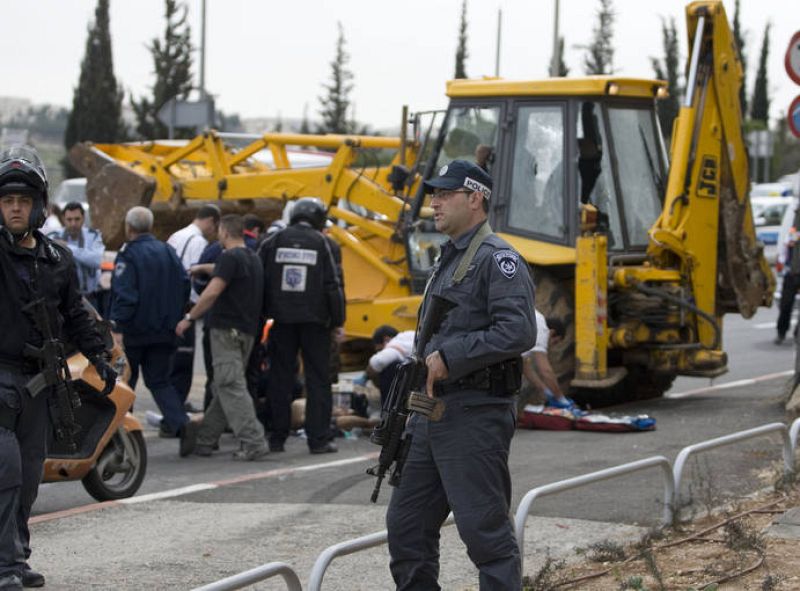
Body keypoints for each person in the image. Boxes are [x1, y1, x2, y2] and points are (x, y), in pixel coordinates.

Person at [386, 159, 536, 590]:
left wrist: (450, 356)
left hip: (475, 412)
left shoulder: (497, 258)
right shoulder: (447, 258)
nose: (434, 201)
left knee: (484, 532)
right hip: (433, 412)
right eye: (434, 193)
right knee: (407, 525)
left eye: (446, 194)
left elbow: (518, 329)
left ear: (475, 199)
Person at [0, 146, 116, 591]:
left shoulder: (57, 259)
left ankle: (17, 556)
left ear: (37, 206)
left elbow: (76, 314)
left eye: (22, 201)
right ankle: (5, 565)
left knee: (29, 478)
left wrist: (99, 357)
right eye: (7, 200)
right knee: (6, 473)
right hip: (0, 379)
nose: (14, 207)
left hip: (39, 386)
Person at [176, 214, 269, 461]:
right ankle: (205, 440)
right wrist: (203, 268)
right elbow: (225, 273)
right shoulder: (253, 258)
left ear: (225, 233)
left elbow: (213, 291)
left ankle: (254, 441)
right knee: (225, 386)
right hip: (247, 333)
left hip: (226, 332)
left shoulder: (228, 257)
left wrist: (189, 318)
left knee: (230, 386)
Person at [258, 197, 345, 454]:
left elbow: (260, 279)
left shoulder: (272, 241)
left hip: (281, 321)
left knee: (280, 378)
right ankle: (318, 439)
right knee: (318, 380)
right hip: (316, 323)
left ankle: (277, 437)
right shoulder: (324, 243)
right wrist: (338, 321)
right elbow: (334, 285)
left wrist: (261, 316)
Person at [108, 206, 193, 448]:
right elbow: (185, 284)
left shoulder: (129, 254)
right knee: (159, 381)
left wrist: (117, 326)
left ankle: (123, 435)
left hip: (136, 331)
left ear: (129, 227)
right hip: (165, 331)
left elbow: (126, 295)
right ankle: (182, 424)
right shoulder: (168, 251)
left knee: (126, 382)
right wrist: (177, 315)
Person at [166, 205, 221, 406]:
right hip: (185, 306)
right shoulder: (198, 242)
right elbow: (194, 278)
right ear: (211, 221)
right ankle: (176, 409)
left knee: (173, 359)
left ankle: (174, 404)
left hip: (170, 303)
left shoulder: (176, 236)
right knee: (183, 360)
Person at [49, 201, 105, 311]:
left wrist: (68, 248)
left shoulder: (93, 235)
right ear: (63, 219)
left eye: (77, 219)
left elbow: (97, 260)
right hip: (62, 300)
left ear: (83, 218)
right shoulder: (53, 236)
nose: (73, 223)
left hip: (90, 298)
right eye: (69, 220)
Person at [520, 311, 578, 411]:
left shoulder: (529, 330)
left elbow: (525, 367)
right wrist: (560, 397)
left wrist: (544, 389)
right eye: (555, 342)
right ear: (552, 332)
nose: (551, 346)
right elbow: (545, 371)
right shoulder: (542, 327)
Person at [366, 325, 414, 407]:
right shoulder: (409, 335)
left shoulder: (394, 344)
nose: (380, 352)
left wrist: (371, 379)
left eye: (379, 350)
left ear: (386, 339)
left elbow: (377, 362)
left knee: (390, 367)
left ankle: (388, 411)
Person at [775, 205, 800, 344]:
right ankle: (781, 332)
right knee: (786, 305)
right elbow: (786, 246)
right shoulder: (793, 230)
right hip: (791, 273)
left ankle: (797, 333)